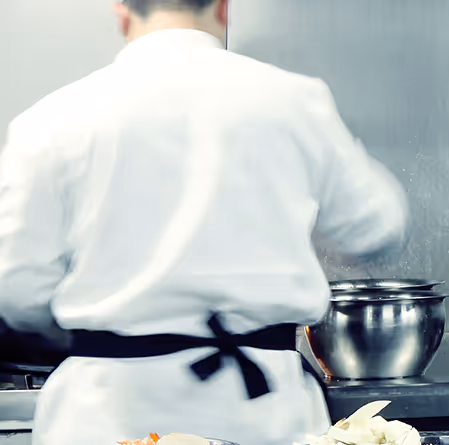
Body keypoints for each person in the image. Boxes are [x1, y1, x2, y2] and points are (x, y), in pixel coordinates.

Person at [0, 0, 408, 443]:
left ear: (121, 13)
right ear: (222, 8)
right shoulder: (294, 101)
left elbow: (17, 289)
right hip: (261, 408)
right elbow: (378, 226)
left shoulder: (50, 119)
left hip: (105, 408)